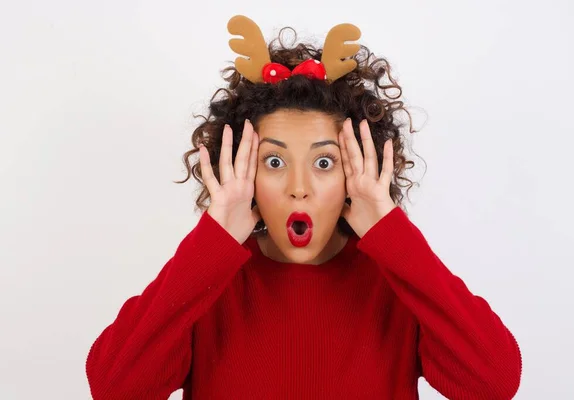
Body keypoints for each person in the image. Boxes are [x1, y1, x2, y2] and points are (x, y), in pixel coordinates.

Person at [85, 15, 522, 400]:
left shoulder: (395, 282)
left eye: (324, 162)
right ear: (242, 173)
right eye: (274, 162)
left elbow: (493, 383)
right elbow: (114, 388)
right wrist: (210, 243)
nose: (299, 188)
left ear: (357, 170)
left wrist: (391, 232)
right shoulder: (208, 284)